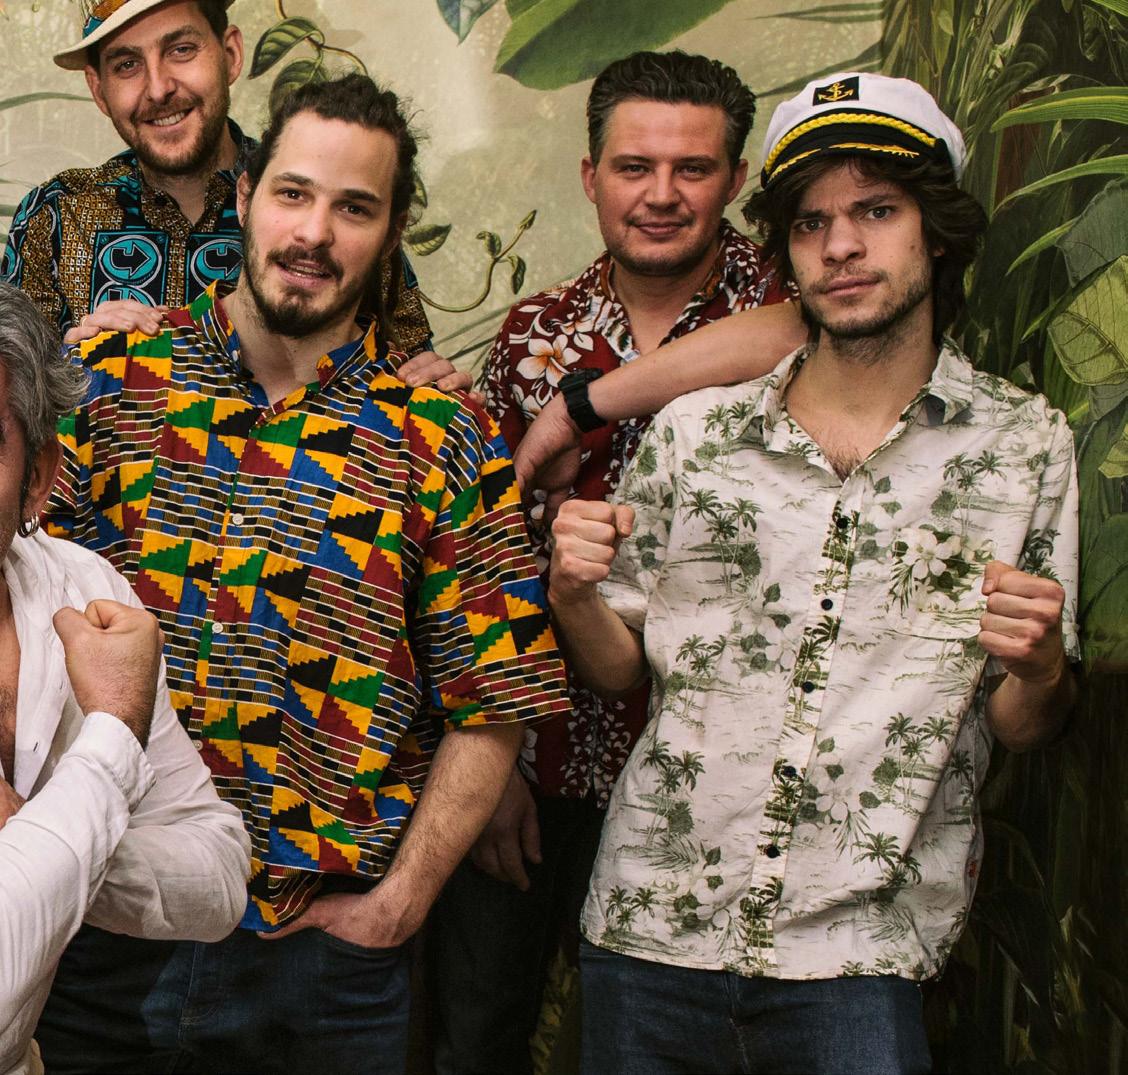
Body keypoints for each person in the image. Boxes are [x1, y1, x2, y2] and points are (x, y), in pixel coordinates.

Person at [35, 72, 569, 1073]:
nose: (314, 232)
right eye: (292, 193)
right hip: (102, 930)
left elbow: (494, 702)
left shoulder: (441, 438)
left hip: (320, 967)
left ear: (392, 230)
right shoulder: (107, 386)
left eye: (354, 207)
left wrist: (398, 903)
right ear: (246, 196)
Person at [547, 72, 1079, 1074]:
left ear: (935, 231)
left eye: (876, 211)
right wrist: (572, 593)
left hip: (861, 956)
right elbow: (616, 669)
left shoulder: (1021, 445)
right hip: (649, 929)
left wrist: (1042, 666)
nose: (840, 246)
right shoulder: (695, 432)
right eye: (810, 222)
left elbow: (1025, 722)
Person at [429, 50, 804, 1073]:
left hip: (710, 779)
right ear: (591, 177)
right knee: (478, 1036)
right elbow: (485, 553)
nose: (662, 194)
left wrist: (589, 403)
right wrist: (493, 761)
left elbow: (800, 334)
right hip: (542, 754)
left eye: (693, 168)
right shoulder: (535, 333)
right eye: (635, 167)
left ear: (735, 180)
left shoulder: (792, 305)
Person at [0, 281, 250, 1075]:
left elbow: (219, 873)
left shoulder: (82, 588)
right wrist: (108, 736)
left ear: (39, 477)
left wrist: (47, 838)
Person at [1, 0, 435, 363]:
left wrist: (428, 377)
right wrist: (69, 369)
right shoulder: (55, 215)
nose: (158, 89)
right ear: (99, 89)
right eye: (127, 64)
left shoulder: (319, 210)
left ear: (230, 54)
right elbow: (12, 407)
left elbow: (409, 368)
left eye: (181, 50)